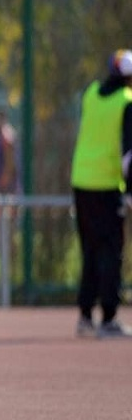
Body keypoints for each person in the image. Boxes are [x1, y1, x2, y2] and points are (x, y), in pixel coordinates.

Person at [71, 49, 132, 339]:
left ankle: (85, 316)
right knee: (111, 252)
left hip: (81, 181)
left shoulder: (91, 93)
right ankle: (108, 317)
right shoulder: (127, 102)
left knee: (90, 250)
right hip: (107, 185)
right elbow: (130, 154)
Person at [0, 107, 20, 196]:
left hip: (5, 188)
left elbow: (10, 162)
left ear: (2, 119)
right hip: (3, 186)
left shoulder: (6, 135)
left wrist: (2, 185)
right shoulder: (1, 135)